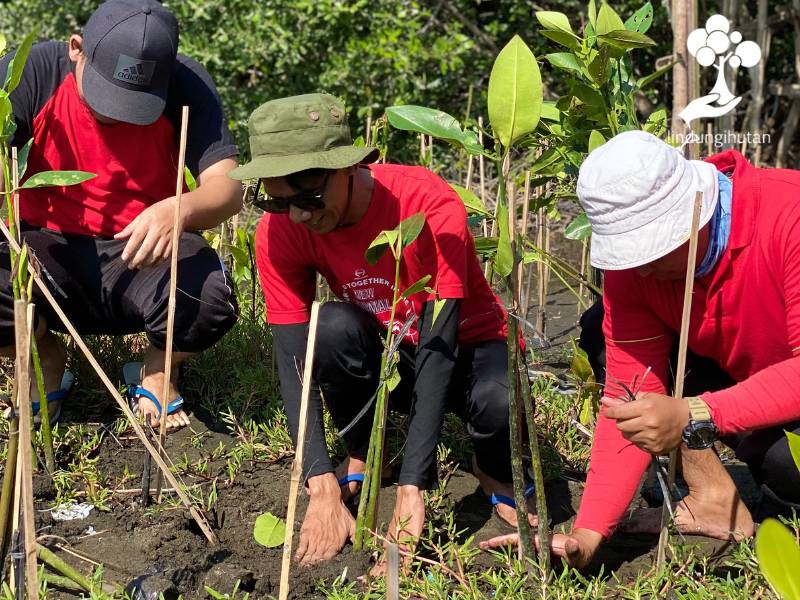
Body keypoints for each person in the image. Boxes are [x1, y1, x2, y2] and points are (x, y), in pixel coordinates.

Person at [230, 93, 539, 566]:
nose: (298, 215)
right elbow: (297, 358)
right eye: (277, 200)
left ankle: (489, 466)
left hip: (467, 346)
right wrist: (319, 483)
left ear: (349, 167)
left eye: (309, 198)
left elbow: (440, 344)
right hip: (392, 354)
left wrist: (414, 488)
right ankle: (367, 452)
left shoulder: (425, 202)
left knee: (499, 401)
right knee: (329, 328)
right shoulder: (281, 228)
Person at [481, 129, 800, 567]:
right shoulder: (637, 272)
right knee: (599, 330)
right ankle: (713, 497)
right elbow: (630, 393)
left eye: (652, 248)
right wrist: (587, 536)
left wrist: (695, 413)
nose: (642, 270)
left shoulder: (789, 217)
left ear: (697, 207)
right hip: (741, 378)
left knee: (789, 469)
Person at [0, 0, 241, 430]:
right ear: (77, 48)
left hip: (144, 253)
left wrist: (179, 209)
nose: (113, 113)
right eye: (105, 93)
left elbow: (229, 188)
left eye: (133, 103)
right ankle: (46, 358)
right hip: (45, 251)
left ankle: (156, 367)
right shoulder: (30, 74)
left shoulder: (186, 84)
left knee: (210, 296)